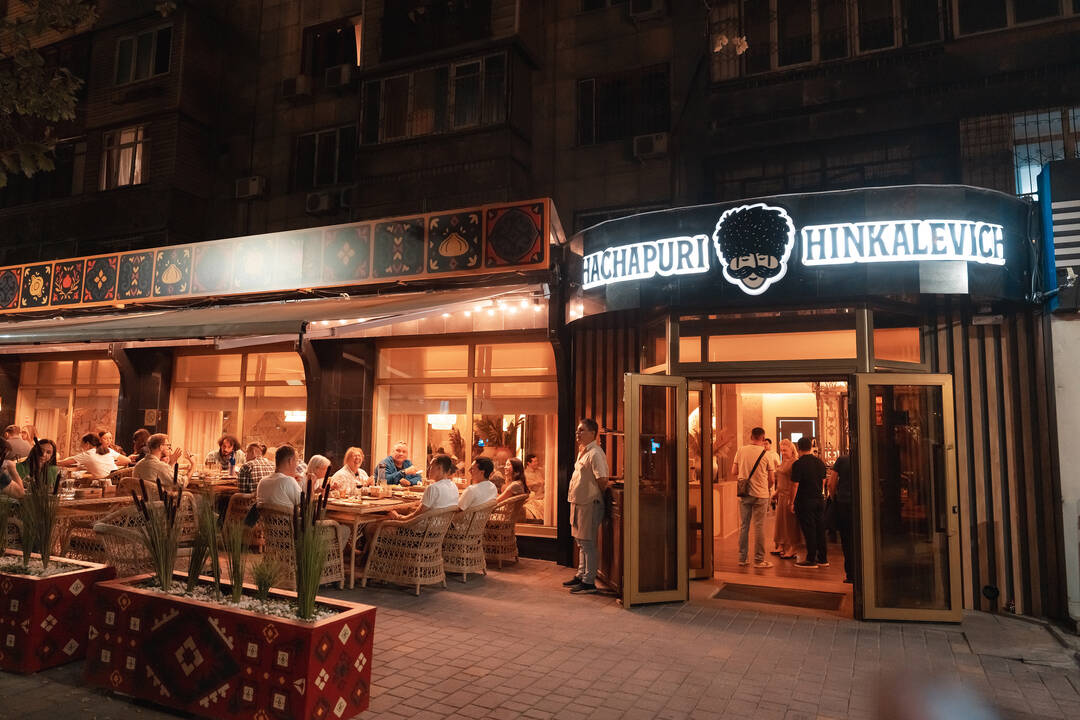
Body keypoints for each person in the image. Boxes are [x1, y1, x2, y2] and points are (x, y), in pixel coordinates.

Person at [564, 418, 609, 595]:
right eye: (577, 430)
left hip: (589, 503)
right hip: (578, 502)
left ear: (592, 433)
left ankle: (589, 581)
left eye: (581, 430)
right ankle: (581, 574)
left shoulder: (596, 453)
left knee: (588, 542)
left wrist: (593, 496)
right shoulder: (583, 452)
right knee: (580, 541)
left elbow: (602, 480)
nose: (578, 433)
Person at [732, 426, 774, 569]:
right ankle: (759, 560)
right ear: (763, 438)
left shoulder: (741, 450)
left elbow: (734, 471)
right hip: (761, 494)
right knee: (759, 527)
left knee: (744, 526)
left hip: (744, 494)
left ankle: (742, 559)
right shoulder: (766, 454)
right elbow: (772, 479)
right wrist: (766, 488)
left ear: (751, 437)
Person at [385, 453, 460, 521]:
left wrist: (399, 517)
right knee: (408, 510)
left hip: (424, 529)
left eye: (431, 466)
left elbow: (417, 514)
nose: (428, 469)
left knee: (384, 523)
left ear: (439, 468)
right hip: (442, 527)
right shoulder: (454, 486)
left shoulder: (433, 488)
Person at [791, 436, 828, 568]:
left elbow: (795, 485)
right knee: (820, 529)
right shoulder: (820, 462)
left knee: (809, 530)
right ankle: (823, 559)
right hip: (819, 499)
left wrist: (792, 502)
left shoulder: (798, 464)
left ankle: (811, 559)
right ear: (811, 447)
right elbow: (823, 481)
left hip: (805, 500)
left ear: (798, 448)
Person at [771, 439, 800, 559]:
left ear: (791, 450)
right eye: (781, 450)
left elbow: (795, 483)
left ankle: (793, 547)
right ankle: (781, 545)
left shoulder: (795, 463)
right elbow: (780, 479)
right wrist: (776, 493)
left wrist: (792, 499)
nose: (783, 452)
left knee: (790, 523)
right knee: (781, 522)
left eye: (785, 450)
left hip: (789, 494)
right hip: (781, 494)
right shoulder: (783, 462)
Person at [828, 454, 855, 583]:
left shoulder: (842, 460)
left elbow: (831, 483)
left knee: (847, 539)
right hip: (862, 503)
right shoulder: (868, 458)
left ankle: (850, 574)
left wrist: (834, 498)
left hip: (844, 502)